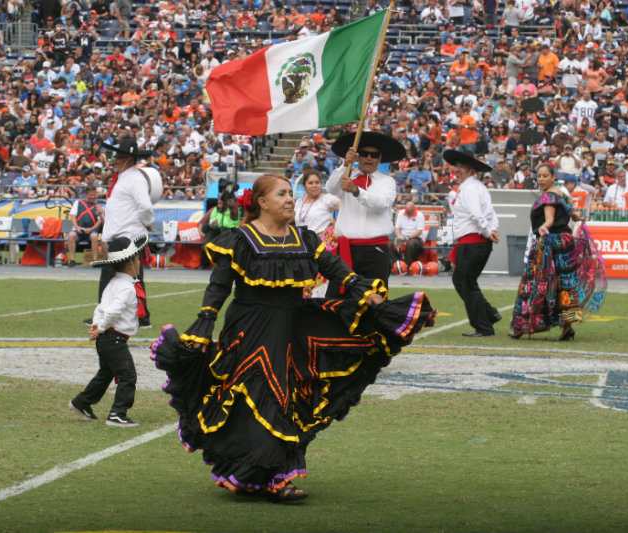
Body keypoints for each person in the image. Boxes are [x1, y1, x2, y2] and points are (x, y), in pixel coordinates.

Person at [150, 174, 435, 502]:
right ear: (262, 202)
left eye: (291, 193)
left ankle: (260, 473)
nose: (289, 199)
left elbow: (335, 268)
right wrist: (205, 321)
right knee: (264, 395)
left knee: (288, 396)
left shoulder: (306, 238)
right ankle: (274, 477)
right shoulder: (241, 239)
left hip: (294, 326)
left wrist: (364, 291)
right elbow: (219, 286)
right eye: (282, 193)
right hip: (249, 327)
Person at [509, 164, 607, 341]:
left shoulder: (548, 197)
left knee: (537, 283)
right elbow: (574, 214)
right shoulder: (562, 195)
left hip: (551, 243)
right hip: (565, 242)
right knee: (565, 286)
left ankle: (523, 325)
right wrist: (577, 217)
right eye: (539, 175)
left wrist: (543, 228)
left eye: (545, 175)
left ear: (553, 177)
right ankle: (567, 327)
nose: (541, 179)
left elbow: (549, 220)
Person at [70, 235, 148, 427]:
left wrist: (97, 325)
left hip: (106, 338)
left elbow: (100, 308)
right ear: (130, 263)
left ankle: (82, 402)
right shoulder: (127, 288)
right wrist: (102, 327)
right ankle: (118, 413)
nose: (139, 263)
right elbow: (113, 311)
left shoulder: (112, 283)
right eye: (137, 259)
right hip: (114, 339)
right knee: (128, 375)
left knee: (105, 373)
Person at [325, 131, 404, 296]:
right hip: (346, 249)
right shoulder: (347, 175)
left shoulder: (387, 182)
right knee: (336, 299)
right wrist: (345, 165)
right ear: (357, 157)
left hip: (374, 251)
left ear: (379, 159)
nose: (368, 158)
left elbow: (381, 203)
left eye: (373, 155)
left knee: (374, 300)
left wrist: (356, 191)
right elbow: (331, 188)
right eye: (364, 154)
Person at [92, 135, 154, 328]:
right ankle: (142, 318)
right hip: (127, 236)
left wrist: (148, 222)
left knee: (109, 275)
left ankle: (103, 314)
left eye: (118, 156)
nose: (114, 160)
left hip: (127, 237)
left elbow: (145, 206)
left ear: (128, 159)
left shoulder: (134, 179)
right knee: (134, 277)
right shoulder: (126, 179)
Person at [443, 148, 500, 337]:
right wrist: (492, 228)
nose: (457, 169)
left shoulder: (469, 188)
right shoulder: (476, 187)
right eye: (456, 166)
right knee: (461, 280)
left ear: (471, 169)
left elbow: (477, 214)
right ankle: (489, 314)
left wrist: (487, 230)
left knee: (466, 282)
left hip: (472, 241)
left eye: (462, 166)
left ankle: (483, 326)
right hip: (473, 241)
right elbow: (489, 213)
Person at [293, 169, 340, 297]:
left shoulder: (327, 199)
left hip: (322, 248)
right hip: (303, 249)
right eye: (311, 183)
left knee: (320, 287)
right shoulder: (298, 203)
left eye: (317, 182)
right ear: (304, 186)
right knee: (303, 285)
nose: (315, 185)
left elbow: (345, 208)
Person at [198, 186, 241, 268]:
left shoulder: (232, 210)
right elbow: (202, 222)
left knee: (224, 245)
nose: (219, 201)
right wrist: (200, 231)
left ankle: (223, 265)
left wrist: (229, 197)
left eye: (221, 199)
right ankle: (205, 264)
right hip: (214, 231)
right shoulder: (213, 210)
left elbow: (233, 205)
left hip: (229, 233)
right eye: (218, 199)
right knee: (206, 245)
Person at [67, 185, 104, 267]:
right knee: (71, 235)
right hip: (79, 229)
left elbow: (99, 221)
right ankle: (72, 260)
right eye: (91, 195)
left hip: (91, 230)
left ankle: (95, 259)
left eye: (94, 195)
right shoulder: (78, 203)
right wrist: (77, 227)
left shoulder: (98, 206)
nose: (93, 197)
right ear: (86, 195)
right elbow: (72, 216)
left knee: (94, 236)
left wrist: (91, 229)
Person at [390, 201, 425, 268]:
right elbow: (397, 228)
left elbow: (419, 231)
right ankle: (398, 264)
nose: (408, 214)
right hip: (402, 237)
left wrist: (408, 237)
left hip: (415, 238)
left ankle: (408, 265)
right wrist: (399, 236)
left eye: (409, 212)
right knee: (390, 245)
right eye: (407, 212)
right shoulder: (401, 213)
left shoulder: (420, 215)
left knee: (410, 244)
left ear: (413, 209)